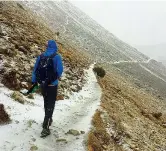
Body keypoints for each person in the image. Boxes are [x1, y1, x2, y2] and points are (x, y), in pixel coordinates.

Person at [31, 40, 63, 137]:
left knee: (46, 102)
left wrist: (34, 81)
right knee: (51, 105)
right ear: (55, 47)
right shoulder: (57, 57)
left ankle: (48, 119)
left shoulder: (41, 56)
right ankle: (46, 128)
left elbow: (35, 70)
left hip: (43, 85)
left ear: (47, 46)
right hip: (52, 85)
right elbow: (60, 71)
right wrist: (54, 79)